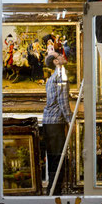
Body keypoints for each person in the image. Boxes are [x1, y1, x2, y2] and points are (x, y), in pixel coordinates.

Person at [42, 53, 72, 195]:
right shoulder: (60, 76)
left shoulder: (54, 77)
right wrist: (70, 120)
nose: (63, 55)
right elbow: (62, 101)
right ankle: (55, 193)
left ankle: (53, 191)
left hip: (50, 122)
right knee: (58, 158)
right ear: (55, 61)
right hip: (55, 123)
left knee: (54, 157)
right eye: (60, 55)